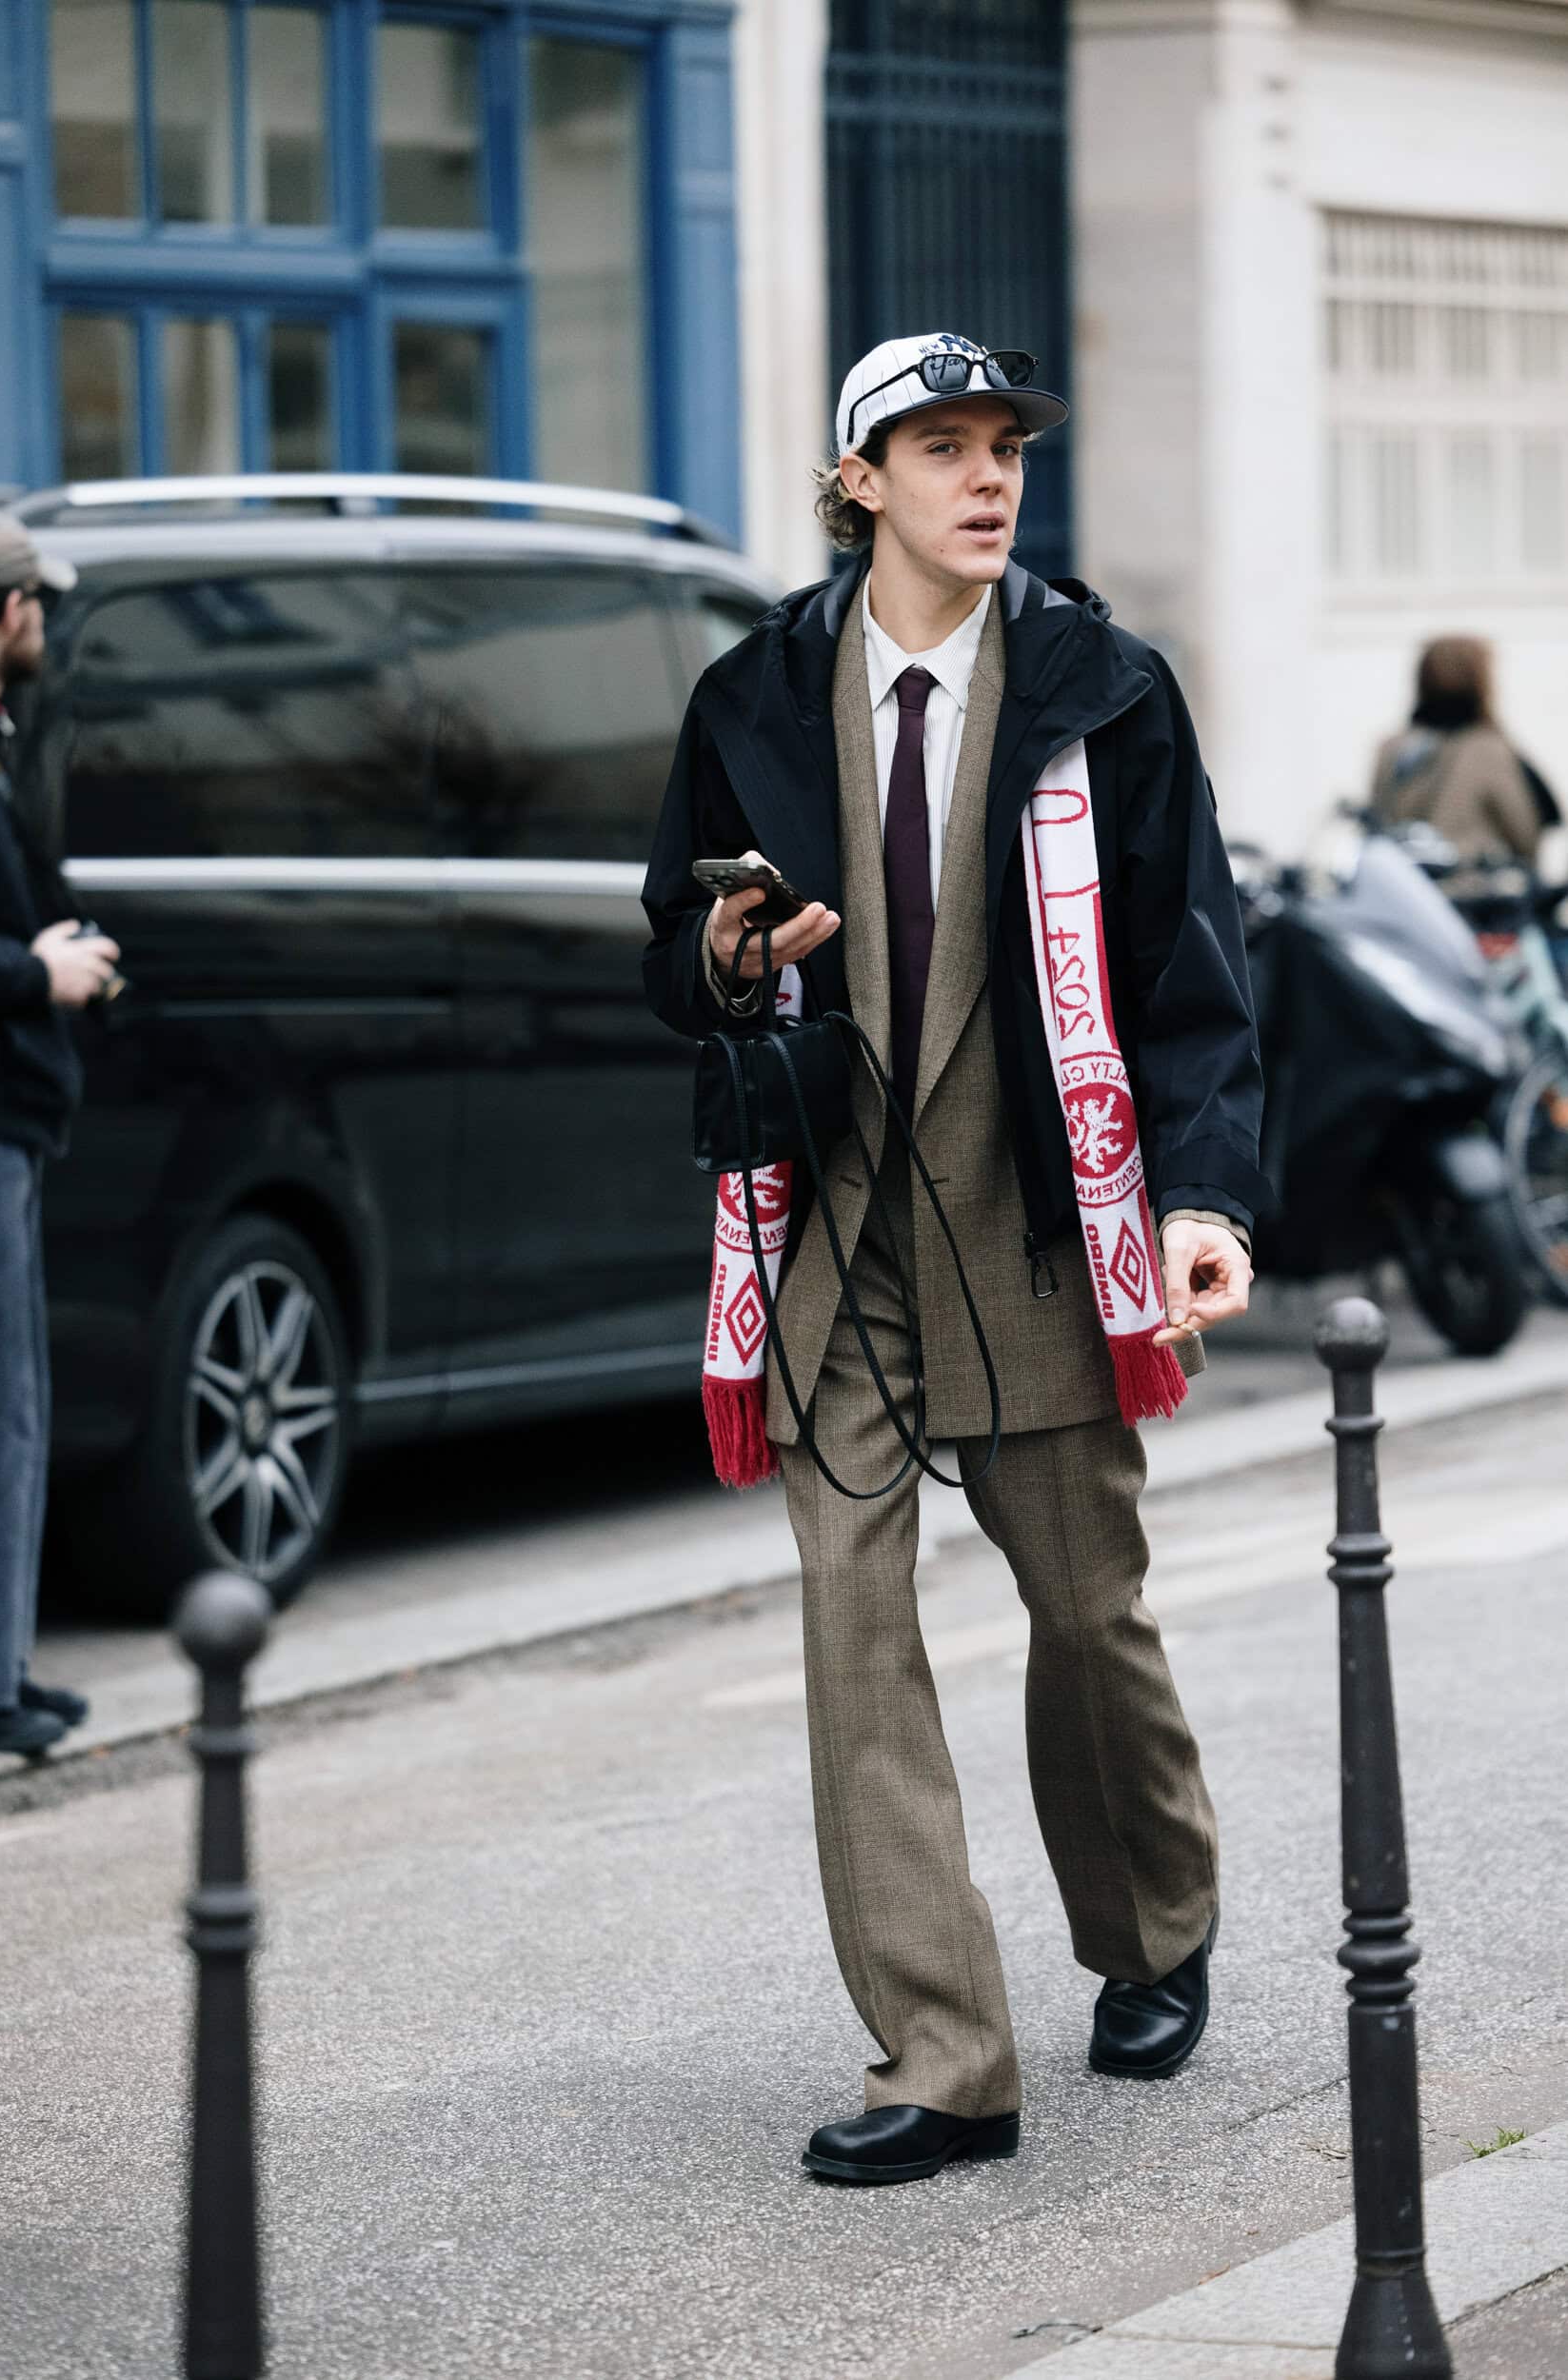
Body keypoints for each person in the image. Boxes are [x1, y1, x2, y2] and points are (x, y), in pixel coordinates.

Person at [643, 335, 1264, 2184]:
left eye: (1000, 448)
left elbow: (1189, 977)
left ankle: (1152, 1919)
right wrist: (734, 952)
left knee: (1085, 1608)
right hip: (831, 1226)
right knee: (853, 1626)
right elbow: (668, 951)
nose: (983, 479)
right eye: (938, 448)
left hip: (1033, 1218)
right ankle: (941, 2048)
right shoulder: (747, 693)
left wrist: (1199, 1200)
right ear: (858, 480)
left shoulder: (1100, 689)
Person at [0, 510, 118, 1758]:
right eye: (34, 604)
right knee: (3, 1401)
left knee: (11, 1397)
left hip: (9, 1115)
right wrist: (35, 976)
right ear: (3, 616)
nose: (43, 624)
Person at [1370, 635, 1542, 864]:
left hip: (1407, 891)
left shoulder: (1392, 748)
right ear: (1481, 682)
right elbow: (1524, 836)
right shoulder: (1489, 749)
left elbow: (1376, 827)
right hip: (1472, 890)